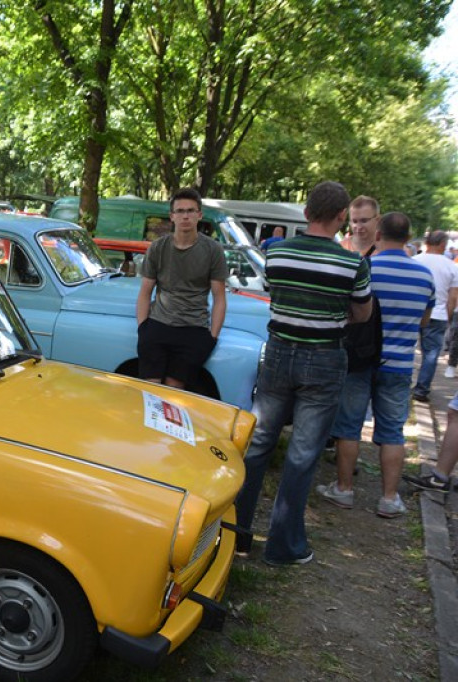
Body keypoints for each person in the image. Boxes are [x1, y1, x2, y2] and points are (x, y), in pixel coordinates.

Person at [234, 181, 371, 566]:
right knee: (303, 452)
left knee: (258, 444)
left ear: (307, 212)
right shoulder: (352, 263)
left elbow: (274, 292)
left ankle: (237, 535)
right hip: (324, 359)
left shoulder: (277, 253)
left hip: (278, 354)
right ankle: (283, 546)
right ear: (341, 216)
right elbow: (363, 314)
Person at [319, 213, 434, 518]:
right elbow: (424, 321)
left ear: (378, 234)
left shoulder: (365, 268)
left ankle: (344, 489)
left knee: (348, 427)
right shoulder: (425, 276)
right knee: (393, 431)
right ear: (408, 238)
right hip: (399, 364)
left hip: (359, 360)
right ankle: (389, 498)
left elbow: (350, 310)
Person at [136, 187, 228, 391]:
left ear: (199, 215)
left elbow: (219, 297)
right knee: (150, 389)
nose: (185, 216)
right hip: (158, 324)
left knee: (174, 391)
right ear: (172, 216)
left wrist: (212, 337)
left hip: (194, 328)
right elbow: (145, 291)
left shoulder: (213, 250)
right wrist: (143, 328)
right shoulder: (158, 247)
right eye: (180, 211)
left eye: (190, 210)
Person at [412, 230, 458, 401]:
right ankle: (421, 390)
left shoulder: (415, 260)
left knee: (408, 348)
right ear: (443, 245)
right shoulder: (451, 267)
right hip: (438, 315)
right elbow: (452, 298)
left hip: (414, 311)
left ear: (427, 243)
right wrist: (448, 317)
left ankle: (404, 381)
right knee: (431, 353)